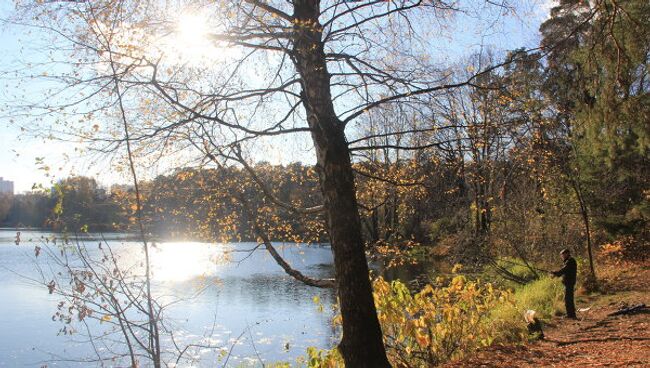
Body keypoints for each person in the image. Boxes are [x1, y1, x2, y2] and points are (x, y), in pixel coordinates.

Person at [552, 249, 577, 319]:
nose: (561, 256)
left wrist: (555, 273)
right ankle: (571, 315)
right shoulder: (568, 261)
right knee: (569, 299)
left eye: (562, 255)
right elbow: (564, 271)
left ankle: (570, 315)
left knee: (568, 299)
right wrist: (555, 273)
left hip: (569, 283)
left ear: (567, 254)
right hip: (569, 283)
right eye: (561, 255)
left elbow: (564, 270)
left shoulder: (570, 261)